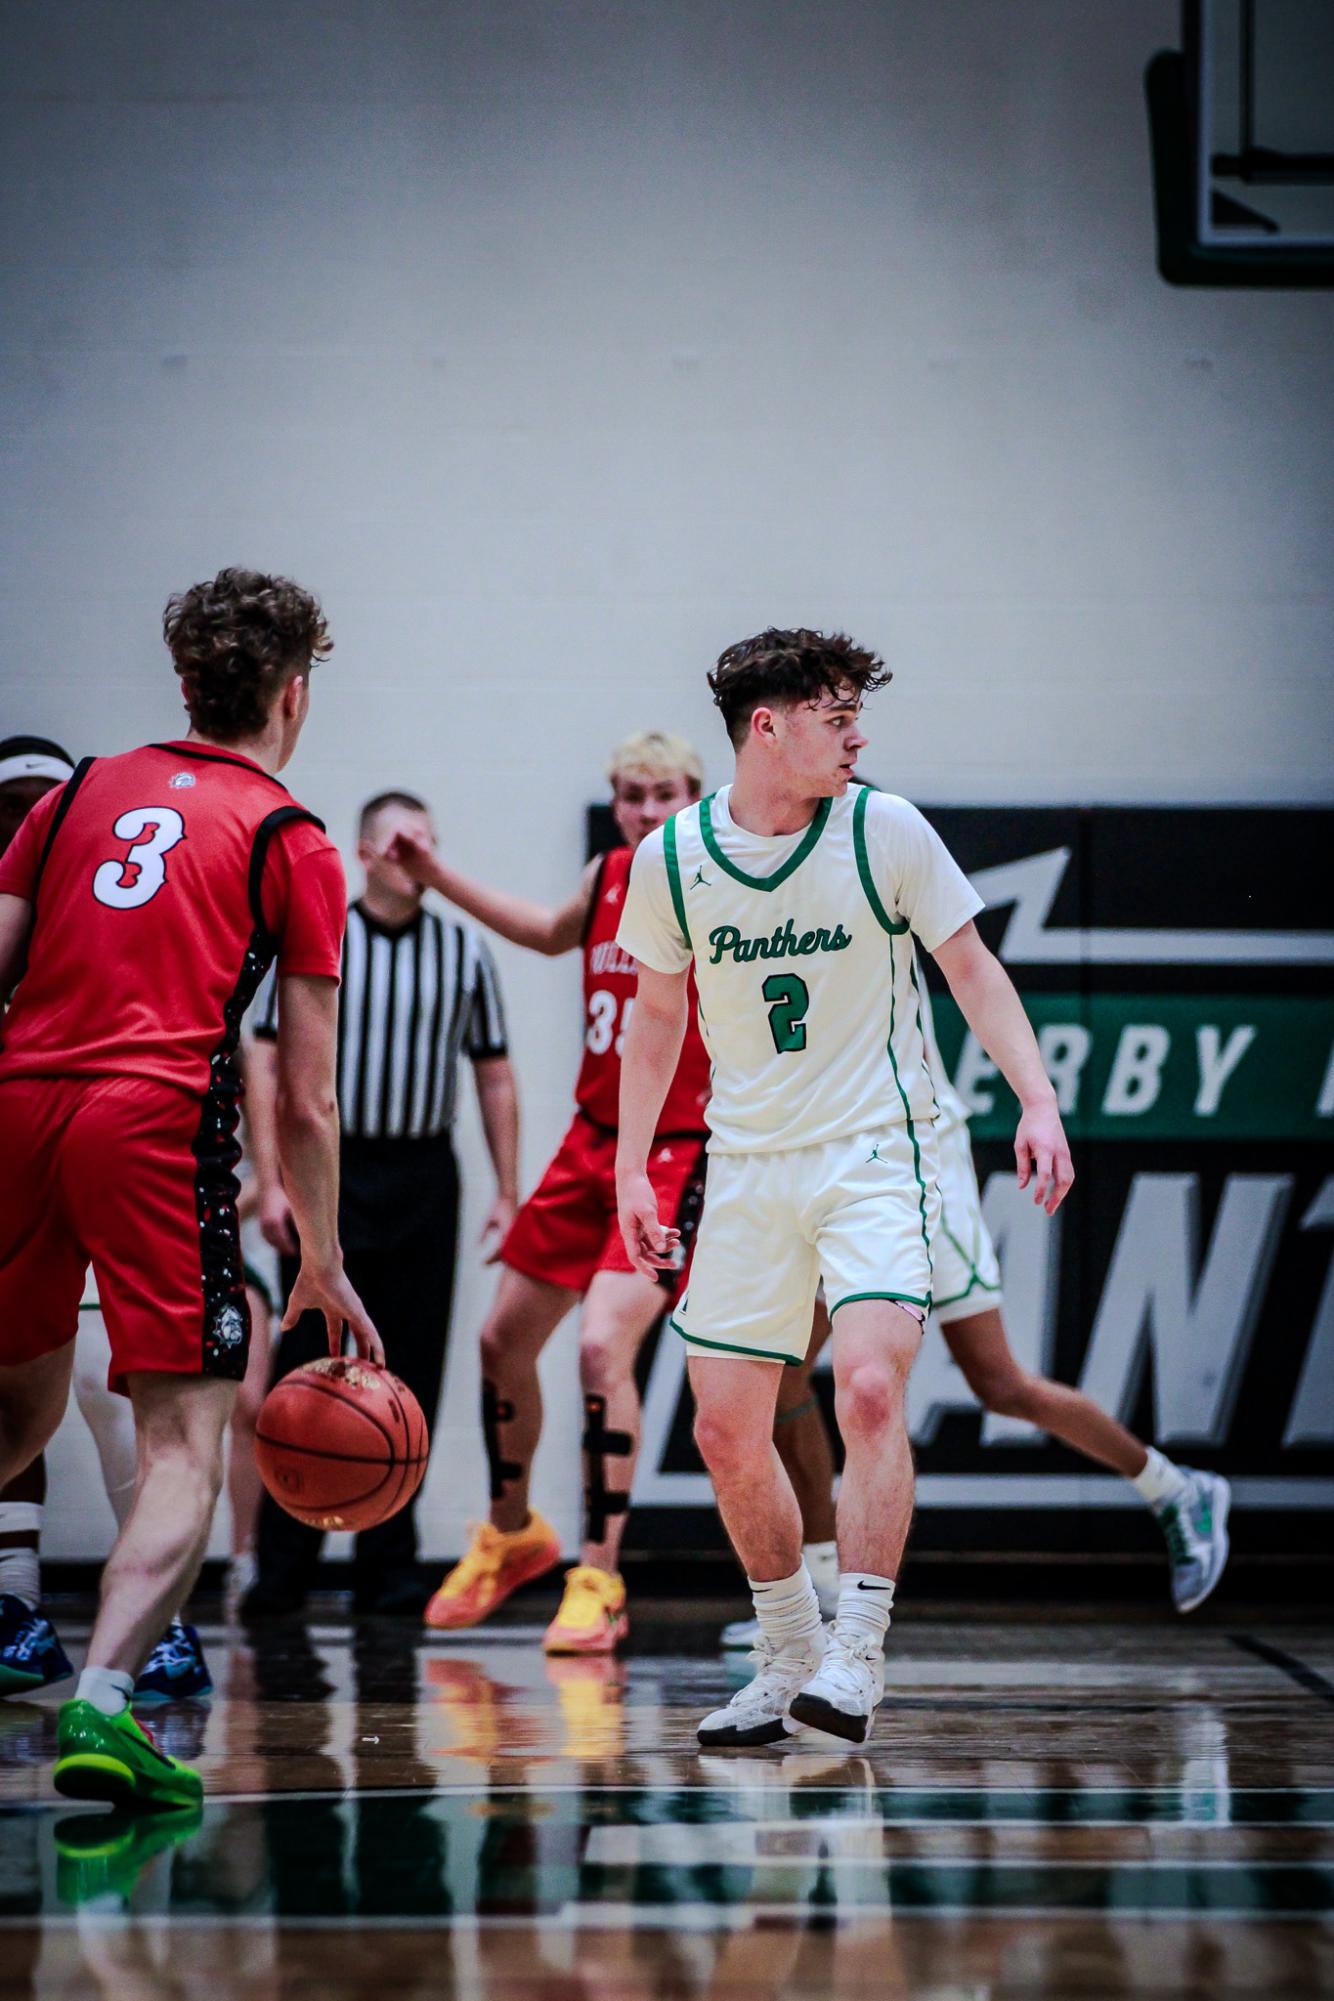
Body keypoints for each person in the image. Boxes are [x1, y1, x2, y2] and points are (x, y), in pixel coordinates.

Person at [615, 627, 1075, 1748]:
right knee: (725, 1430)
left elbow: (971, 968)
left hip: (879, 1148)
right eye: (833, 714)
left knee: (868, 1385)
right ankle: (786, 1657)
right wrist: (631, 1164)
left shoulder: (884, 828)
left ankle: (857, 1654)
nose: (855, 733)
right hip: (748, 1166)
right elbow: (656, 1017)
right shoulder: (672, 858)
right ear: (765, 727)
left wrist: (1037, 1098)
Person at [0, 566, 380, 1808]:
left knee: (16, 1417)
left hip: (17, 1107)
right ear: (295, 694)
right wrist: (320, 1257)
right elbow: (308, 1098)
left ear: (183, 683)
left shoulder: (73, 798)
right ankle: (106, 1710)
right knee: (182, 1438)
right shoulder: (291, 837)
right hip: (149, 1125)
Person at [720, 961, 1231, 1649]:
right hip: (824, 1163)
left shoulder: (866, 874)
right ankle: (818, 1584)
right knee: (784, 1373)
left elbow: (966, 970)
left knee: (999, 1382)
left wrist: (1037, 1101)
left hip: (913, 1162)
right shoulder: (746, 896)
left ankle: (1176, 1488)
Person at [384, 731, 750, 1652]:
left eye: (663, 792)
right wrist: (435, 873)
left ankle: (600, 1574)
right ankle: (513, 1534)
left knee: (598, 1348)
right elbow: (544, 931)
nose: (646, 809)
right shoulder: (608, 875)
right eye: (631, 794)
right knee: (501, 1339)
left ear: (698, 795)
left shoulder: (727, 884)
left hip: (674, 1149)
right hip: (591, 1139)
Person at [241, 790, 517, 1618]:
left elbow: (494, 1074)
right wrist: (271, 1176)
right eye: (402, 843)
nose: (416, 856)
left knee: (412, 1359)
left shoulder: (466, 951)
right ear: (365, 852)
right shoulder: (321, 938)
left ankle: (388, 1560)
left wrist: (508, 1187)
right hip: (333, 1170)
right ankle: (282, 1562)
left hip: (425, 1173)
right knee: (309, 1358)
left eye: (430, 842)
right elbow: (262, 1056)